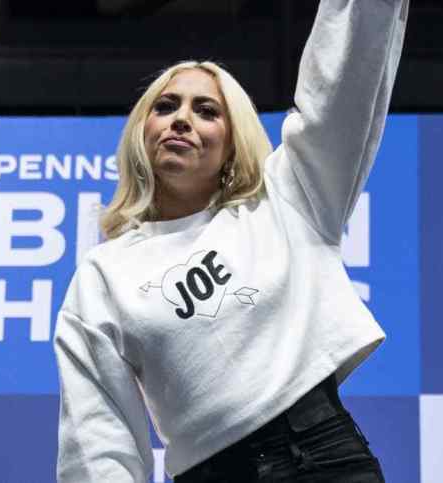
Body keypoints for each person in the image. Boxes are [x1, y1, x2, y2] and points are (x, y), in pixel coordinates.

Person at [54, 0, 409, 481]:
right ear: (142, 131)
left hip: (326, 458)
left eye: (206, 111)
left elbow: (342, 78)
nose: (182, 120)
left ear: (232, 143)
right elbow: (97, 444)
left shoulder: (289, 199)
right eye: (165, 106)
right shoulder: (102, 276)